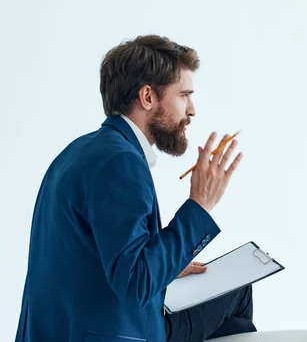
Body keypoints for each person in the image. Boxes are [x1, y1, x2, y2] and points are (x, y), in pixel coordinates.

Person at [15, 35, 256, 342]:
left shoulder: (76, 152)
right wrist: (200, 205)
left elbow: (100, 254)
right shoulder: (121, 162)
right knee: (240, 292)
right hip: (115, 333)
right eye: (184, 95)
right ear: (147, 97)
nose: (192, 110)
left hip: (64, 329)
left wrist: (167, 265)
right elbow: (136, 283)